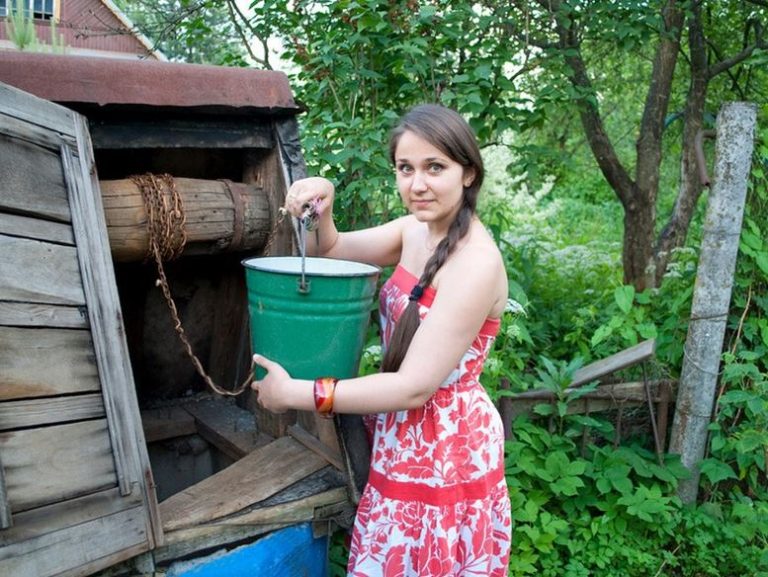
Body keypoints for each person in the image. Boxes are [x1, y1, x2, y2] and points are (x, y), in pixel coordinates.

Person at [252, 103, 512, 576]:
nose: (417, 184)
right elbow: (328, 250)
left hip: (446, 446)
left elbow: (414, 386)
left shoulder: (477, 263)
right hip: (400, 432)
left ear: (468, 173)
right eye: (405, 168)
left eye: (435, 167)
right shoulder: (414, 230)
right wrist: (321, 206)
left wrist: (296, 394)